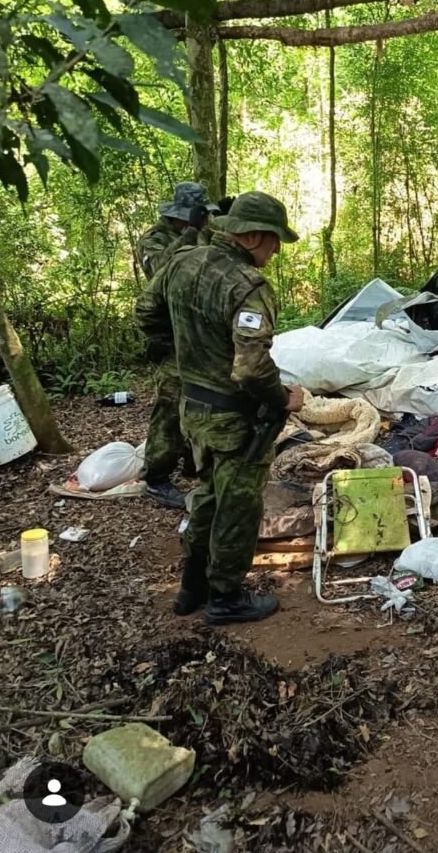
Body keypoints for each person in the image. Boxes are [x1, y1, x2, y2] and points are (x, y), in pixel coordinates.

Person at [136, 191, 305, 624]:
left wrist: (181, 359)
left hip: (192, 409)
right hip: (234, 418)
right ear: (251, 236)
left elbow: (146, 311)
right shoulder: (247, 285)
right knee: (238, 506)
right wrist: (283, 398)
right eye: (273, 240)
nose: (276, 250)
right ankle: (226, 597)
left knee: (208, 495)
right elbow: (250, 368)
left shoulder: (180, 262)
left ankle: (191, 587)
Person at [137, 183, 220, 509]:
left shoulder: (202, 234)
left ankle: (191, 461)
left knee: (200, 400)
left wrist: (226, 220)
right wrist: (190, 233)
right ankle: (156, 476)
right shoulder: (154, 239)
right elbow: (160, 269)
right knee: (170, 406)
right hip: (170, 338)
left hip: (197, 332)